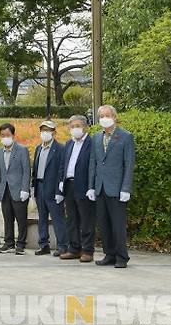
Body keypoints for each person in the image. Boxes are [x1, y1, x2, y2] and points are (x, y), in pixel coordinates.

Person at [89, 105, 135, 268]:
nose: (104, 118)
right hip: (100, 187)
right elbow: (93, 163)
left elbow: (129, 164)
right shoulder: (95, 137)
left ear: (114, 117)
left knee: (117, 224)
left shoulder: (125, 136)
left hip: (117, 188)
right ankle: (109, 254)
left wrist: (126, 188)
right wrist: (91, 186)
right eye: (101, 116)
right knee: (103, 223)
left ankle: (122, 256)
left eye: (107, 115)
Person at [59, 115, 95, 262]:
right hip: (69, 185)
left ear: (85, 127)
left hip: (84, 186)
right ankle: (74, 248)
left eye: (78, 126)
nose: (75, 129)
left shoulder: (91, 143)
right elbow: (63, 164)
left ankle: (87, 251)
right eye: (72, 126)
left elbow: (94, 166)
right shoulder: (68, 144)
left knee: (86, 220)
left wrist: (91, 186)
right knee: (72, 219)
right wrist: (62, 181)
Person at [31, 120, 68, 257]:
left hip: (53, 188)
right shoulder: (38, 148)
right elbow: (35, 169)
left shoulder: (60, 149)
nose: (45, 133)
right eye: (43, 130)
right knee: (42, 217)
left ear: (54, 132)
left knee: (58, 218)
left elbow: (62, 170)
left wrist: (60, 191)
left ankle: (62, 245)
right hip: (39, 186)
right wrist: (33, 187)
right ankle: (43, 244)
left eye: (48, 130)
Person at [0, 123, 31, 255]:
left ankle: (21, 244)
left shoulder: (22, 150)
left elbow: (27, 170)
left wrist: (25, 189)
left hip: (18, 190)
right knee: (7, 218)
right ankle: (8, 243)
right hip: (5, 190)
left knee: (21, 218)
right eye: (2, 135)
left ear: (13, 135)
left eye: (8, 135)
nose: (5, 137)